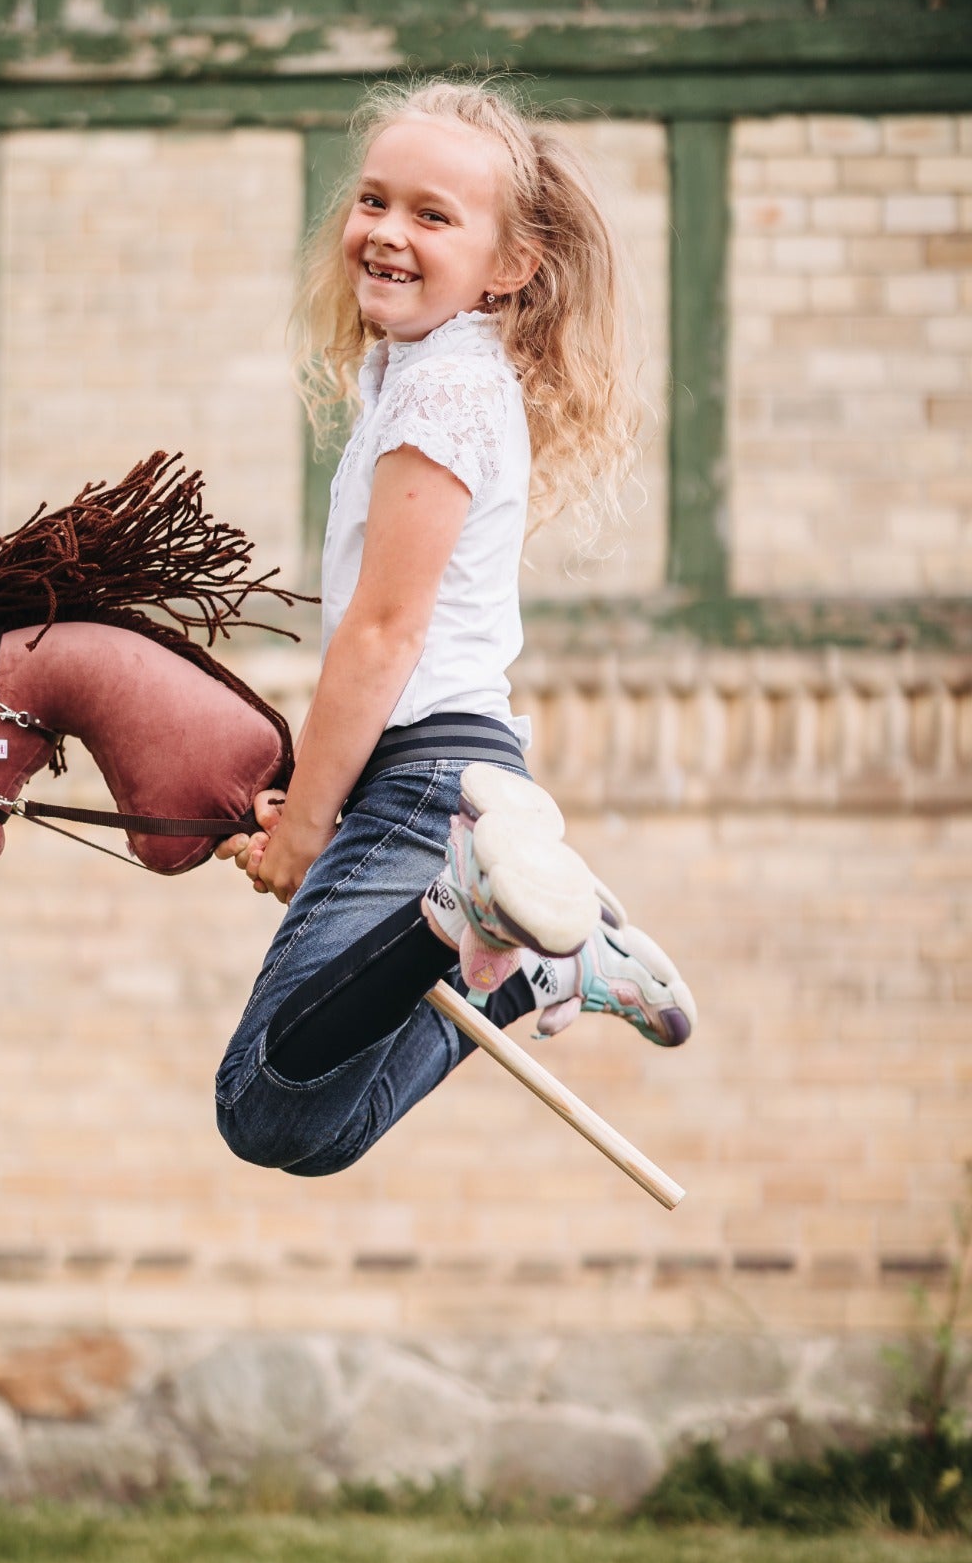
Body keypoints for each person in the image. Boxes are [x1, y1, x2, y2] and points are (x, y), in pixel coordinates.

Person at [213, 77, 694, 1177]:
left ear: (509, 264)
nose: (385, 231)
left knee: (260, 1104)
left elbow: (382, 636)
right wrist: (322, 797)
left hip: (430, 775)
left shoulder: (440, 396)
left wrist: (303, 831)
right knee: (306, 1125)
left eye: (432, 216)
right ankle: (526, 962)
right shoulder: (422, 376)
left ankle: (471, 915)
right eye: (373, 201)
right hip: (443, 769)